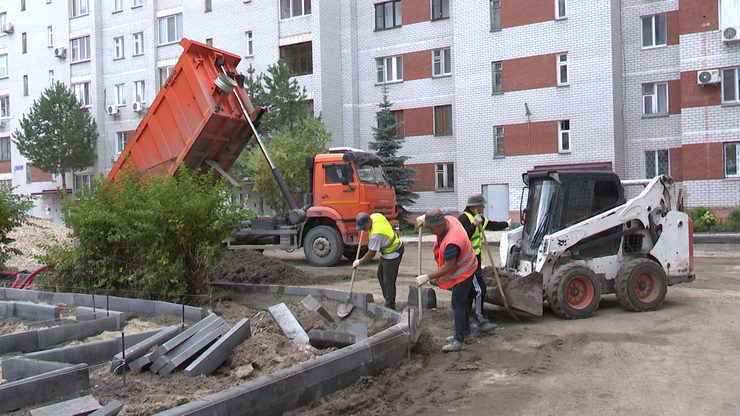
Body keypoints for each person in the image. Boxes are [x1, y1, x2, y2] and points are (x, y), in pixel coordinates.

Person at [416, 208, 478, 352]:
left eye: (431, 229)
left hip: (464, 272)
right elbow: (440, 210)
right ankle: (466, 333)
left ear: (439, 225)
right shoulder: (449, 219)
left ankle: (459, 340)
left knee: (458, 304)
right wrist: (423, 218)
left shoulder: (452, 243)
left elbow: (448, 267)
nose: (431, 232)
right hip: (469, 263)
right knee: (462, 303)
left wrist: (427, 277)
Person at [458, 193, 510, 333]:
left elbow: (491, 225)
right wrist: (473, 225)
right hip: (468, 261)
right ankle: (480, 319)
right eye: (482, 204)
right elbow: (462, 237)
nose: (484, 207)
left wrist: (506, 224)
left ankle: (467, 320)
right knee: (480, 289)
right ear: (475, 206)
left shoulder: (479, 217)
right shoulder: (463, 219)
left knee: (470, 290)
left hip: (475, 259)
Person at [353, 212, 404, 310]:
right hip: (387, 251)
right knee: (380, 275)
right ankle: (388, 300)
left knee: (388, 280)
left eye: (364, 227)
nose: (363, 230)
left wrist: (359, 262)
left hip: (393, 252)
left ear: (368, 222)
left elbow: (371, 254)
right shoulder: (375, 216)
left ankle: (390, 305)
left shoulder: (376, 235)